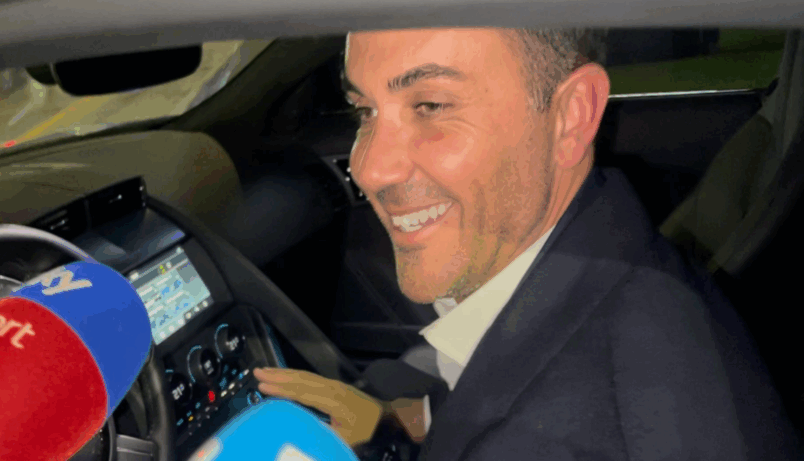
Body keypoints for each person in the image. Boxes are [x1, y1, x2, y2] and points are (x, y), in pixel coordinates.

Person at [253, 28, 803, 460]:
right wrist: (397, 424)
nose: (369, 168)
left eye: (431, 106)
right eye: (365, 111)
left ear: (572, 115)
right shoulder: (608, 256)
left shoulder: (548, 441)